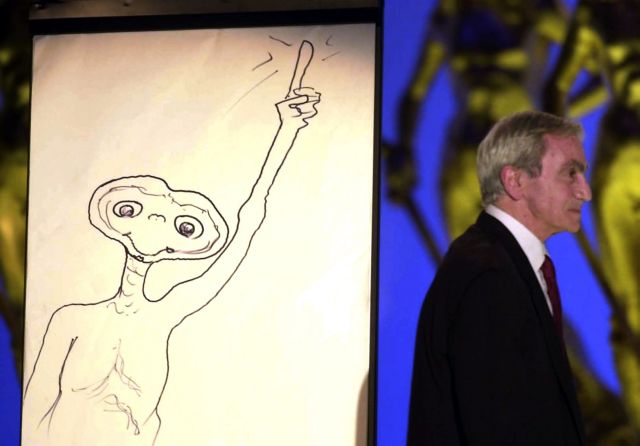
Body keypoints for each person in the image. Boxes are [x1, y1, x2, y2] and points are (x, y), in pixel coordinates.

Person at [408, 110, 590, 445]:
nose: (585, 192)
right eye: (570, 173)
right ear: (515, 181)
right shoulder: (488, 276)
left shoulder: (501, 263)